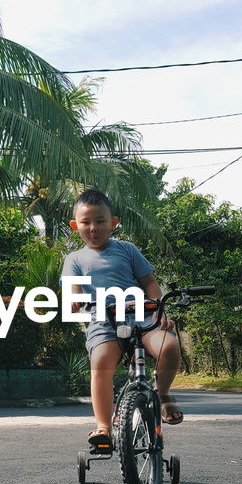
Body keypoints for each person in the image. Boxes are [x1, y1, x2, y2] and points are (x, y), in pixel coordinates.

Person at [60, 188, 182, 454]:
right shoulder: (75, 259)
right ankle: (103, 426)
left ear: (113, 222)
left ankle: (163, 394)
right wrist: (74, 298)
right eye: (86, 222)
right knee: (100, 363)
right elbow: (72, 287)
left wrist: (161, 311)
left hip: (143, 314)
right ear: (75, 226)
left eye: (100, 221)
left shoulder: (127, 249)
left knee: (170, 348)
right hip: (105, 321)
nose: (93, 228)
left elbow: (149, 282)